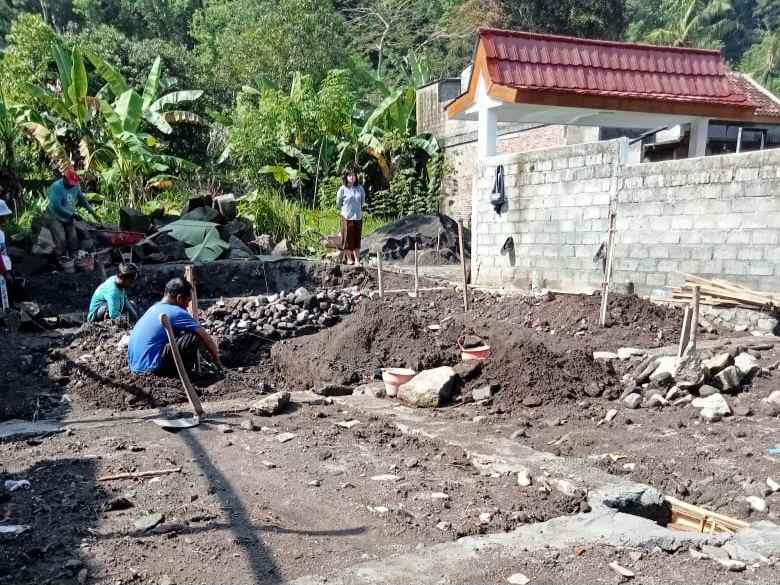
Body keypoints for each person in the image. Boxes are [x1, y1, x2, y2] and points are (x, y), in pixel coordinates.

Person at [128, 277, 222, 377]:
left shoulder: (153, 308)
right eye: (187, 301)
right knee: (193, 335)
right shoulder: (177, 312)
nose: (187, 306)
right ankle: (185, 375)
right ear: (179, 298)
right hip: (151, 369)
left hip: (135, 367)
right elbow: (205, 337)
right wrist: (218, 361)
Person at [47, 168, 99, 257]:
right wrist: (72, 215)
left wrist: (93, 213)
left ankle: (73, 257)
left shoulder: (76, 186)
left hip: (68, 217)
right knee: (61, 239)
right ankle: (59, 259)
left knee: (73, 238)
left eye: (73, 183)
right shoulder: (57, 187)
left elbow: (82, 200)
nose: (72, 186)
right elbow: (57, 207)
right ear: (64, 178)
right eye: (70, 183)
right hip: (55, 216)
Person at [336, 168, 366, 265]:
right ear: (346, 177)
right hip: (346, 217)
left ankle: (357, 260)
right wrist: (345, 211)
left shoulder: (360, 188)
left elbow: (362, 201)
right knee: (347, 238)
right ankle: (349, 259)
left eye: (354, 175)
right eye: (350, 175)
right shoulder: (342, 189)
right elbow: (338, 203)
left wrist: (357, 209)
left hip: (358, 217)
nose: (352, 177)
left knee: (357, 238)